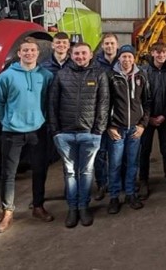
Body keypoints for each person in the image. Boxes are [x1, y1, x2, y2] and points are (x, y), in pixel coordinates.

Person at [0, 37, 54, 233]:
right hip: (12, 132)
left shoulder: (46, 76)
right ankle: (7, 211)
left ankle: (38, 206)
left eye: (32, 50)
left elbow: (48, 102)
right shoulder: (6, 76)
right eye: (25, 50)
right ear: (19, 53)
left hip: (37, 131)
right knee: (8, 174)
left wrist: (42, 118)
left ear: (38, 53)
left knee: (39, 170)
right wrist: (7, 120)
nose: (29, 53)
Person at [49, 42, 109, 228]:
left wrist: (98, 130)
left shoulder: (99, 74)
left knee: (85, 172)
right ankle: (72, 208)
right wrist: (56, 131)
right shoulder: (61, 75)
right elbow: (52, 104)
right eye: (77, 54)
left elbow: (104, 103)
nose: (80, 57)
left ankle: (84, 207)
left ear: (90, 55)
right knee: (70, 173)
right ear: (71, 55)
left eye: (84, 53)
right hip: (65, 135)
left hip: (89, 134)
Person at [106, 45, 150, 214]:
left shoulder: (141, 76)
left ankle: (131, 194)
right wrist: (110, 126)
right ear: (119, 58)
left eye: (129, 57)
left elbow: (147, 102)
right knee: (115, 164)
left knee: (132, 163)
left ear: (134, 58)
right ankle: (114, 196)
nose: (126, 60)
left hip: (135, 130)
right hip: (117, 129)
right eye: (123, 57)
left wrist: (142, 124)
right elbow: (105, 102)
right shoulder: (111, 76)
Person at [138, 43, 166, 199]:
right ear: (152, 53)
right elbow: (140, 96)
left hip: (165, 118)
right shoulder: (144, 71)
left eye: (164, 52)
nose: (161, 55)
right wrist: (148, 118)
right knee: (145, 151)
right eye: (158, 52)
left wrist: (164, 115)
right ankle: (143, 182)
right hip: (147, 119)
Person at [94, 33, 119, 200]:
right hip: (99, 115)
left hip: (119, 114)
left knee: (117, 153)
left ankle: (117, 183)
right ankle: (102, 184)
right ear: (102, 46)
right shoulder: (95, 64)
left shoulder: (124, 60)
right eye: (106, 43)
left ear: (117, 45)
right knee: (100, 152)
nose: (109, 46)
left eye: (112, 43)